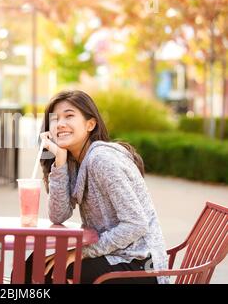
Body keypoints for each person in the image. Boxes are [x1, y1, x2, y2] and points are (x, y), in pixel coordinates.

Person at [26, 90, 169, 284]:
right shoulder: (74, 162)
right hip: (113, 255)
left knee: (44, 272)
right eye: (55, 119)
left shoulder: (102, 160)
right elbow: (58, 216)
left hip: (140, 265)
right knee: (34, 264)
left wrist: (83, 252)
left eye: (69, 116)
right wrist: (59, 160)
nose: (60, 124)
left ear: (90, 124)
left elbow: (136, 224)